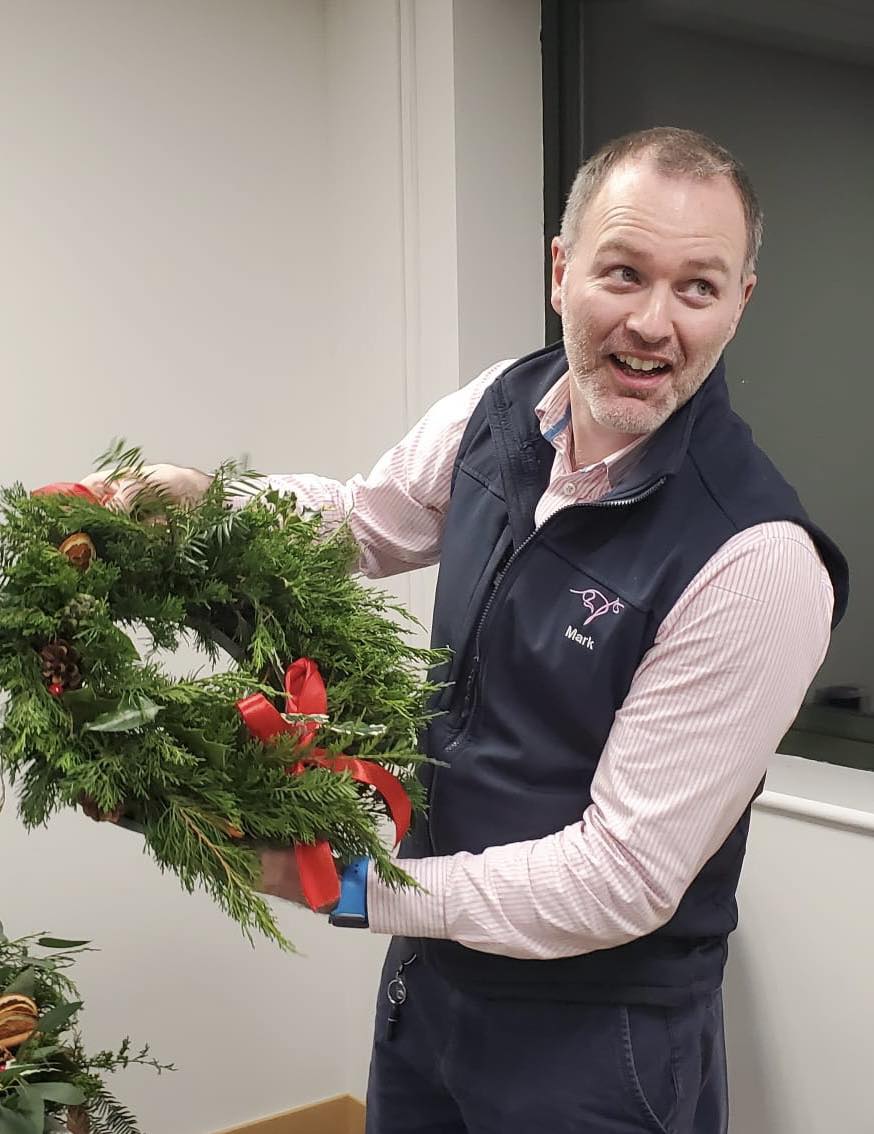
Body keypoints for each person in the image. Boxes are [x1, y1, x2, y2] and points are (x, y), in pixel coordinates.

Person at [83, 127, 848, 1133]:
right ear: (561, 270)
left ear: (738, 304)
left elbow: (618, 880)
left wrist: (343, 884)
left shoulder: (754, 561)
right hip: (434, 980)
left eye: (697, 288)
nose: (654, 322)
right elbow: (366, 521)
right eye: (622, 273)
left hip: (594, 1037)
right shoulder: (500, 408)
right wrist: (204, 500)